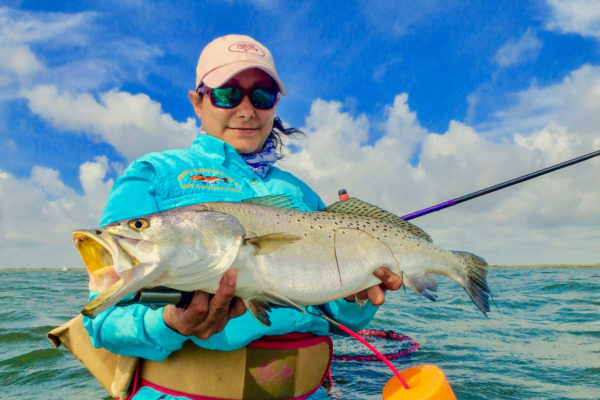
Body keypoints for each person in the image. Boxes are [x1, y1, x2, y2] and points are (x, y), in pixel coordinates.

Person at [83, 34, 402, 400]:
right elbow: (102, 322)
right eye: (227, 94)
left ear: (275, 104)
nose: (247, 108)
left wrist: (355, 297)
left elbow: (341, 318)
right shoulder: (154, 174)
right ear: (198, 101)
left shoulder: (301, 194)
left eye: (262, 95)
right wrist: (170, 323)